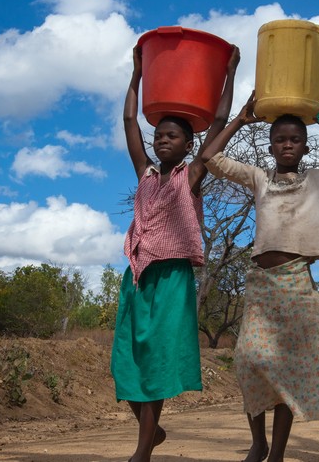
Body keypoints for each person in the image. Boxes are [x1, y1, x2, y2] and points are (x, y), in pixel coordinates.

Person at [201, 96, 319, 462]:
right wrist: (239, 120)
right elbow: (210, 159)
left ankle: (277, 452)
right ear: (270, 146)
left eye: (294, 139)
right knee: (248, 360)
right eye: (280, 139)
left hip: (296, 281)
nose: (286, 145)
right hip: (262, 284)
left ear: (305, 145)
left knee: (286, 370)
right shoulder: (259, 178)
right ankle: (258, 441)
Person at [110, 42, 240, 462]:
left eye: (173, 137)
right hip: (137, 277)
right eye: (160, 136)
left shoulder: (192, 175)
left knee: (159, 362)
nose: (163, 141)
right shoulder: (145, 173)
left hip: (172, 279)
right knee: (126, 362)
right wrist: (137, 74)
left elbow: (218, 121)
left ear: (188, 144)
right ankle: (153, 432)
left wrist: (231, 76)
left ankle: (142, 452)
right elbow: (130, 117)